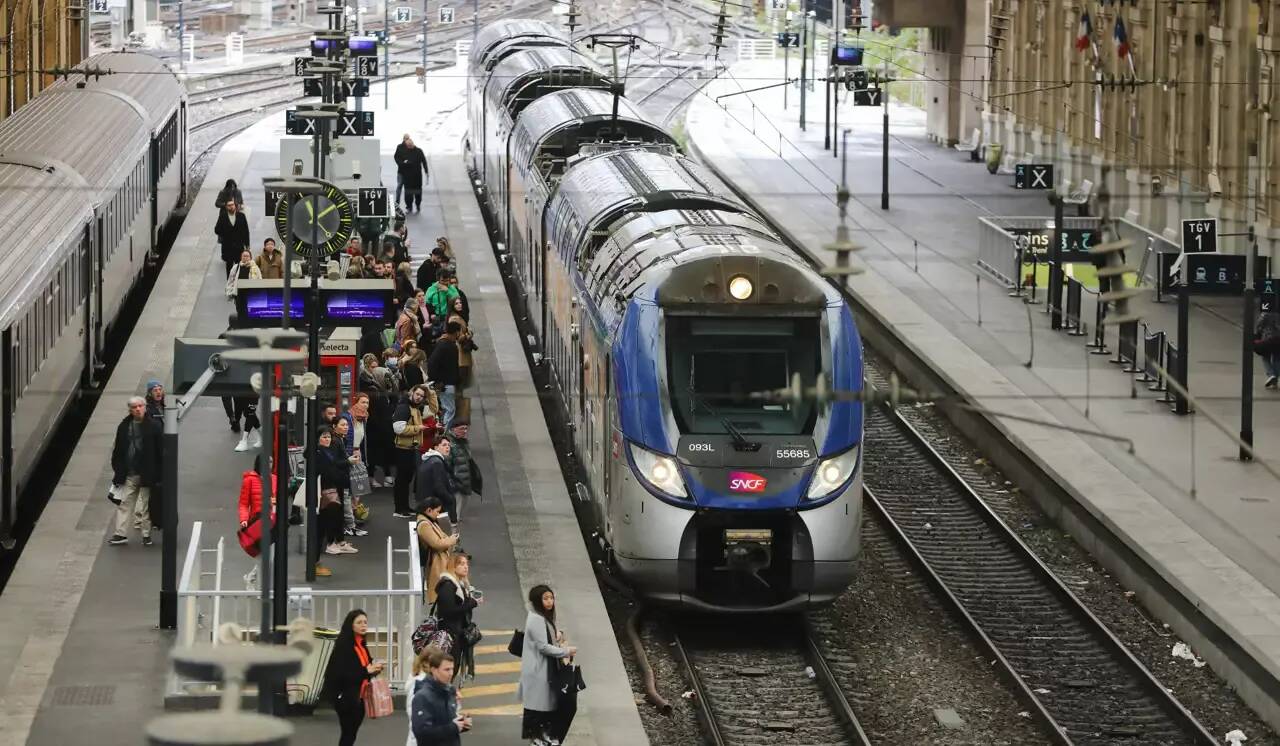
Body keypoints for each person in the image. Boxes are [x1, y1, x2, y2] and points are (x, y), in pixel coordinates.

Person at [519, 585, 576, 746]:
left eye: (551, 598)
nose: (550, 602)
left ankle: (545, 737)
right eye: (545, 598)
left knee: (550, 704)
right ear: (538, 600)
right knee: (546, 705)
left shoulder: (544, 617)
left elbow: (545, 639)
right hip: (539, 672)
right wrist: (566, 651)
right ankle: (541, 738)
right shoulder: (537, 619)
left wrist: (557, 635)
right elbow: (542, 646)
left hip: (546, 670)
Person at [323, 609, 385, 746]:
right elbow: (341, 673)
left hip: (360, 695)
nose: (363, 625)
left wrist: (374, 668)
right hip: (345, 697)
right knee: (348, 733)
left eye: (365, 622)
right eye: (359, 622)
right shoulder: (344, 647)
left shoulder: (361, 644)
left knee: (351, 733)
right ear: (351, 625)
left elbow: (365, 666)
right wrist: (366, 670)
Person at [108, 397, 161, 546]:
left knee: (144, 506)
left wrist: (158, 473)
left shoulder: (153, 427)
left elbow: (160, 452)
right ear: (130, 409)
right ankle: (121, 533)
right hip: (130, 472)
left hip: (147, 473)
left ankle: (145, 534)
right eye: (134, 407)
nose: (138, 409)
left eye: (140, 406)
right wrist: (118, 469)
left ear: (145, 407)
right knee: (125, 503)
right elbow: (118, 450)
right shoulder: (125, 426)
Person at [435, 552, 481, 682]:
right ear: (453, 566)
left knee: (453, 669)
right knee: (449, 669)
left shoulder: (460, 585)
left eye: (467, 564)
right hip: (449, 635)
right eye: (461, 564)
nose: (466, 567)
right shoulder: (448, 585)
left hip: (457, 633)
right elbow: (448, 611)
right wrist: (472, 603)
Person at [410, 648, 471, 746]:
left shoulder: (450, 691)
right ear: (434, 670)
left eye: (452, 669)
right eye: (447, 669)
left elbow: (447, 721)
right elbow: (422, 733)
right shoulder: (422, 696)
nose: (451, 673)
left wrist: (461, 723)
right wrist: (454, 727)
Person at [317, 427, 355, 561]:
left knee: (336, 514)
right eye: (324, 437)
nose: (327, 439)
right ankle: (330, 543)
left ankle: (336, 542)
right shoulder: (319, 452)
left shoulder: (328, 451)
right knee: (328, 516)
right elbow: (326, 470)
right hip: (325, 489)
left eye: (328, 437)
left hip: (333, 486)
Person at [392, 385, 429, 518]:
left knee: (406, 479)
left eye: (422, 396)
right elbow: (398, 428)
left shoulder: (414, 408)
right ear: (411, 393)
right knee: (402, 480)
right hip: (403, 449)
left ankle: (404, 506)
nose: (419, 397)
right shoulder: (404, 408)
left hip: (411, 448)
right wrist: (417, 428)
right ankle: (399, 509)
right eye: (417, 394)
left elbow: (433, 408)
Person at [415, 496, 458, 603]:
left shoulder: (428, 521)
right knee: (441, 593)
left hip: (439, 560)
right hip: (436, 562)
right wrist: (451, 541)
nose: (438, 514)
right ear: (429, 510)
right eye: (437, 511)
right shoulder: (424, 525)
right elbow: (436, 544)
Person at [238, 454, 271, 589]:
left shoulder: (273, 479)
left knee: (267, 557)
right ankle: (259, 585)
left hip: (271, 521)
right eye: (267, 462)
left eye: (271, 462)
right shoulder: (249, 480)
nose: (270, 465)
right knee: (264, 557)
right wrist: (244, 520)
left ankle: (251, 578)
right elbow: (243, 503)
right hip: (257, 522)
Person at [428, 322, 461, 431]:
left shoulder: (444, 344)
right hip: (445, 383)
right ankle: (444, 434)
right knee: (449, 409)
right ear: (456, 332)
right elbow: (432, 363)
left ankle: (443, 433)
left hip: (446, 382)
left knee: (448, 408)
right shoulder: (445, 345)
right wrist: (437, 381)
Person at [416, 437, 454, 530]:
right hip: (433, 507)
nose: (448, 448)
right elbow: (439, 486)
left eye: (449, 445)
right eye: (444, 445)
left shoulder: (429, 460)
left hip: (425, 504)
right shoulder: (437, 463)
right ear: (436, 447)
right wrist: (450, 498)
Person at [445, 421, 473, 524]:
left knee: (465, 499)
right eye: (462, 429)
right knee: (458, 502)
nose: (465, 431)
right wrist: (451, 479)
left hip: (464, 477)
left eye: (466, 429)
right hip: (456, 478)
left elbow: (468, 457)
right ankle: (453, 524)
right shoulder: (450, 443)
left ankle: (456, 519)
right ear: (453, 429)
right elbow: (447, 463)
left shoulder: (463, 441)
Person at [215, 199, 250, 278]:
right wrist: (225, 234)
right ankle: (229, 285)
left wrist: (247, 245)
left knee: (239, 266)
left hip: (239, 246)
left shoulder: (241, 216)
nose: (231, 207)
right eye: (229, 205)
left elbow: (246, 231)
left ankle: (238, 284)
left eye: (232, 205)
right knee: (229, 267)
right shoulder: (223, 216)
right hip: (228, 247)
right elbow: (217, 229)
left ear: (235, 206)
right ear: (226, 207)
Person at [396, 135, 430, 212]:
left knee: (418, 192)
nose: (408, 147)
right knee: (408, 193)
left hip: (417, 176)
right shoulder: (404, 151)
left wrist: (426, 172)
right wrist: (403, 164)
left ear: (412, 144)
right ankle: (409, 206)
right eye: (407, 145)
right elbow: (400, 161)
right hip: (407, 177)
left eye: (409, 145)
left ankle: (418, 204)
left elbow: (424, 162)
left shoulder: (419, 151)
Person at [447, 298, 475, 390]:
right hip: (460, 351)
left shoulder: (457, 316)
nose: (459, 305)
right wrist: (468, 335)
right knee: (461, 375)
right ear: (452, 306)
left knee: (463, 376)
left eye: (460, 303)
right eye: (456, 304)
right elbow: (457, 337)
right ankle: (459, 398)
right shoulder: (454, 319)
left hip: (462, 350)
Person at [1256, 305, 1280, 388]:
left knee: (1265, 357)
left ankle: (1271, 375)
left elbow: (1259, 324)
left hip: (1268, 339)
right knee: (1277, 358)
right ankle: (1275, 379)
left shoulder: (1266, 313)